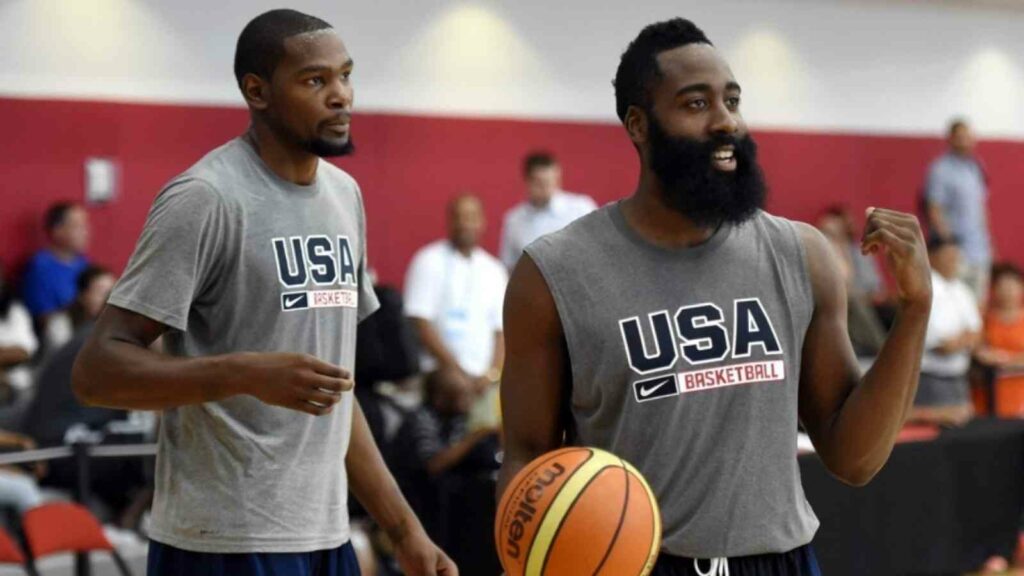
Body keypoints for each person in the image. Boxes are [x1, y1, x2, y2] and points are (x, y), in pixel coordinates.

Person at [497, 18, 932, 576]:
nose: (726, 120)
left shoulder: (802, 255)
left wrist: (915, 310)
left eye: (731, 100)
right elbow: (526, 459)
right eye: (696, 104)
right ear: (639, 125)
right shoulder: (553, 273)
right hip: (641, 564)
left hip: (781, 561)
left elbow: (854, 459)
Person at [72, 9, 455, 576]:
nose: (341, 96)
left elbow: (336, 392)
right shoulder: (205, 198)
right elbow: (97, 373)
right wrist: (244, 374)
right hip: (220, 543)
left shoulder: (345, 198)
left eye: (346, 76)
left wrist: (405, 531)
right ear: (257, 91)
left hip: (325, 535)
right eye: (315, 80)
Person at [405, 195, 507, 396]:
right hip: (439, 375)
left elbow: (501, 330)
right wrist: (457, 371)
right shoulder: (428, 260)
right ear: (449, 221)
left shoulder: (494, 269)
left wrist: (492, 374)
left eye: (471, 217)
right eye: (458, 217)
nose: (464, 224)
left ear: (482, 221)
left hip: (484, 380)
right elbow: (419, 322)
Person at [911, 237, 979, 426]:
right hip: (931, 378)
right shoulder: (923, 289)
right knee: (934, 435)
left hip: (959, 376)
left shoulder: (961, 289)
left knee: (963, 433)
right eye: (948, 256)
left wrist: (961, 341)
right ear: (931, 257)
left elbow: (975, 332)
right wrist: (961, 341)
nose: (954, 261)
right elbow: (940, 345)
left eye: (956, 256)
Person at [924, 119, 991, 301]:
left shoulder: (975, 167)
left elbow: (981, 208)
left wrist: (990, 244)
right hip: (956, 251)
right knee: (955, 302)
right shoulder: (940, 169)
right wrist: (949, 244)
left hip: (979, 250)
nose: (965, 141)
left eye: (968, 137)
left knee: (978, 304)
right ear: (950, 139)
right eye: (960, 137)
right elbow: (934, 208)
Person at [498, 152, 597, 270]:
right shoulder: (514, 220)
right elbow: (508, 265)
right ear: (528, 181)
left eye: (552, 181)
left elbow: (598, 248)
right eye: (541, 183)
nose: (547, 188)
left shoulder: (581, 208)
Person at [20, 202, 91, 326]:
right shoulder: (40, 267)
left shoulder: (84, 263)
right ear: (57, 231)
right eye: (77, 227)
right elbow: (43, 318)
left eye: (85, 226)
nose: (85, 232)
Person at [977, 263, 1024, 416]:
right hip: (988, 391)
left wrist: (1006, 360)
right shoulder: (984, 318)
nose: (1007, 292)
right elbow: (977, 348)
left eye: (1012, 286)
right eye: (1002, 286)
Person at [44, 265, 116, 352]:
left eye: (110, 292)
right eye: (101, 292)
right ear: (82, 295)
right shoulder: (60, 323)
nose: (107, 299)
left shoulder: (115, 326)